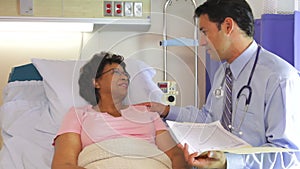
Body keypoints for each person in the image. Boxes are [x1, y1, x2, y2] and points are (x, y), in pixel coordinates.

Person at [138, 0, 300, 168]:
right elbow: (208, 118)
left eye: (205, 32)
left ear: (228, 26)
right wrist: (166, 110)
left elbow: (288, 156)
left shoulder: (280, 78)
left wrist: (229, 162)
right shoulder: (223, 72)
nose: (201, 42)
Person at [51, 52, 189, 169]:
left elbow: (175, 155)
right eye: (115, 72)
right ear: (96, 82)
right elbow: (63, 164)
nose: (124, 77)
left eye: (125, 74)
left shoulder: (147, 113)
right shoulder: (78, 114)